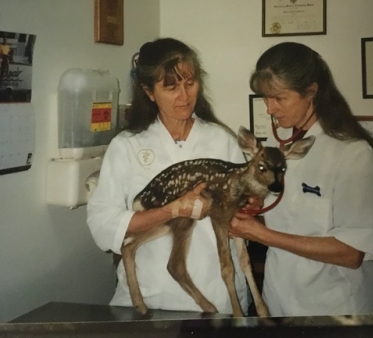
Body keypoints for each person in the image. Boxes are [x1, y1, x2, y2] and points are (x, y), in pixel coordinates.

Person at [87, 37, 250, 314]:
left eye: (190, 83)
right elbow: (103, 225)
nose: (184, 96)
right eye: (171, 87)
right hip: (150, 298)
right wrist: (170, 211)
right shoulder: (127, 145)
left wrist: (244, 206)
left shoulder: (221, 140)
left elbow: (242, 213)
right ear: (149, 92)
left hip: (217, 294)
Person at [229, 42, 373, 317]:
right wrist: (256, 211)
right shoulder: (280, 150)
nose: (269, 109)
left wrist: (262, 234)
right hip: (279, 301)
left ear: (311, 92)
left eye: (279, 98)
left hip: (336, 308)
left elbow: (352, 253)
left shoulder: (352, 153)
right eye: (265, 98)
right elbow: (297, 218)